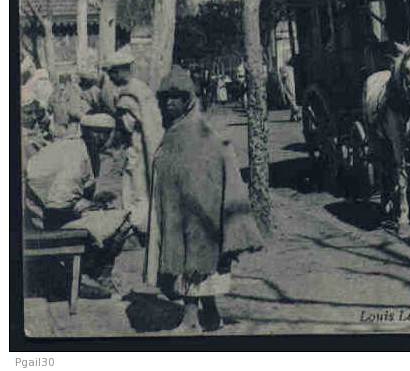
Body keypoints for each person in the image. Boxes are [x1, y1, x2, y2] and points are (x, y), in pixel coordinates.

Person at [145, 66, 263, 333]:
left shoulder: (198, 133)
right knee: (197, 263)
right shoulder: (175, 130)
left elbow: (205, 178)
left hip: (198, 214)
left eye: (177, 97)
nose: (170, 103)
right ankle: (210, 313)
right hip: (180, 209)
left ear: (189, 100)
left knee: (195, 260)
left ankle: (190, 319)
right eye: (165, 98)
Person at [25, 86, 132, 300]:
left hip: (48, 211)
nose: (101, 138)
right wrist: (82, 207)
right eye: (95, 133)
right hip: (44, 219)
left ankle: (89, 274)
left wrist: (88, 204)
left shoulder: (85, 149)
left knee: (112, 213)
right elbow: (57, 203)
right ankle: (87, 275)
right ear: (85, 131)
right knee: (125, 221)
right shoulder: (76, 154)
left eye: (105, 134)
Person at [104, 46, 165, 235]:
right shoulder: (141, 88)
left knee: (137, 188)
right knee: (139, 185)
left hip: (138, 144)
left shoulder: (129, 94)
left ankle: (141, 226)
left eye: (113, 73)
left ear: (121, 71)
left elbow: (128, 125)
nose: (111, 78)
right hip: (144, 142)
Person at [279, 57, 301, 122]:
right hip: (291, 82)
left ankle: (296, 111)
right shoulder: (291, 68)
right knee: (291, 95)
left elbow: (283, 77)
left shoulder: (284, 68)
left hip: (287, 82)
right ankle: (293, 116)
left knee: (290, 96)